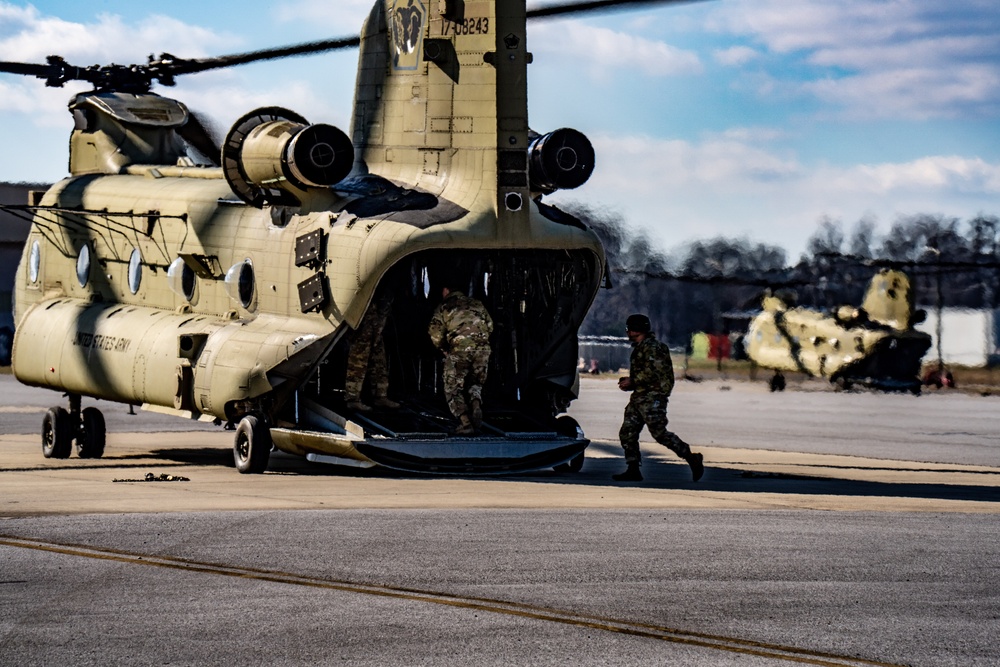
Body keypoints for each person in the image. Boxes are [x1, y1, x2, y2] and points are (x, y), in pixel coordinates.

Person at [613, 313, 704, 483]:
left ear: (635, 330)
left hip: (653, 397)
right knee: (627, 432)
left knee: (659, 433)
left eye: (628, 329)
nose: (627, 333)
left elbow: (654, 373)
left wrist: (633, 381)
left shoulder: (653, 347)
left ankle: (691, 458)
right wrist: (631, 384)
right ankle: (633, 469)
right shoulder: (641, 348)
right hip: (640, 396)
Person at [428, 284, 493, 435]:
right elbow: (490, 325)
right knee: (475, 383)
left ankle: (465, 423)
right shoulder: (477, 303)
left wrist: (444, 348)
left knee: (453, 387)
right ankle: (476, 405)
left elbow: (435, 333)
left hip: (460, 349)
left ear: (446, 290)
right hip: (482, 349)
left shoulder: (444, 306)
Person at [345, 292, 400, 412]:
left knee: (378, 355)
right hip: (365, 306)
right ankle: (353, 398)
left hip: (379, 307)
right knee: (359, 355)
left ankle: (380, 395)